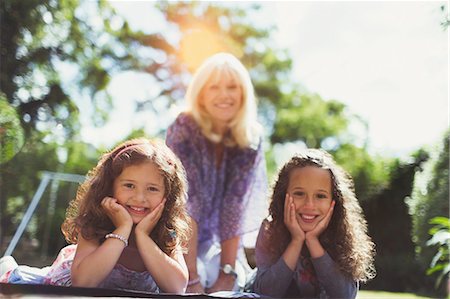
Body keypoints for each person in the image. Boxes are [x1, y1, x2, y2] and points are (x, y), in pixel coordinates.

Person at [1, 138, 191, 294]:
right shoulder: (96, 225)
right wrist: (123, 230)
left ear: (168, 195)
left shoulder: (166, 234)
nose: (140, 198)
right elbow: (83, 283)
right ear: (110, 186)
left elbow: (176, 288)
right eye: (129, 185)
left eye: (152, 189)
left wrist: (143, 236)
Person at [166, 52, 268, 293]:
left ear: (243, 93)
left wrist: (227, 272)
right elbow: (188, 203)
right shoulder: (184, 127)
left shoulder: (250, 139)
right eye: (214, 87)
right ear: (201, 93)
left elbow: (235, 207)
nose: (224, 95)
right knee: (184, 282)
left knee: (234, 283)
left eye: (232, 87)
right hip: (176, 236)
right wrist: (190, 278)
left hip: (214, 243)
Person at [252, 149, 376, 298]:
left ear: (334, 201)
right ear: (283, 196)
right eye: (299, 193)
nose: (309, 205)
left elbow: (345, 296)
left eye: (320, 196)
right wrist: (296, 241)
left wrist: (312, 240)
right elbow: (265, 293)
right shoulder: (270, 229)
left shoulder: (341, 234)